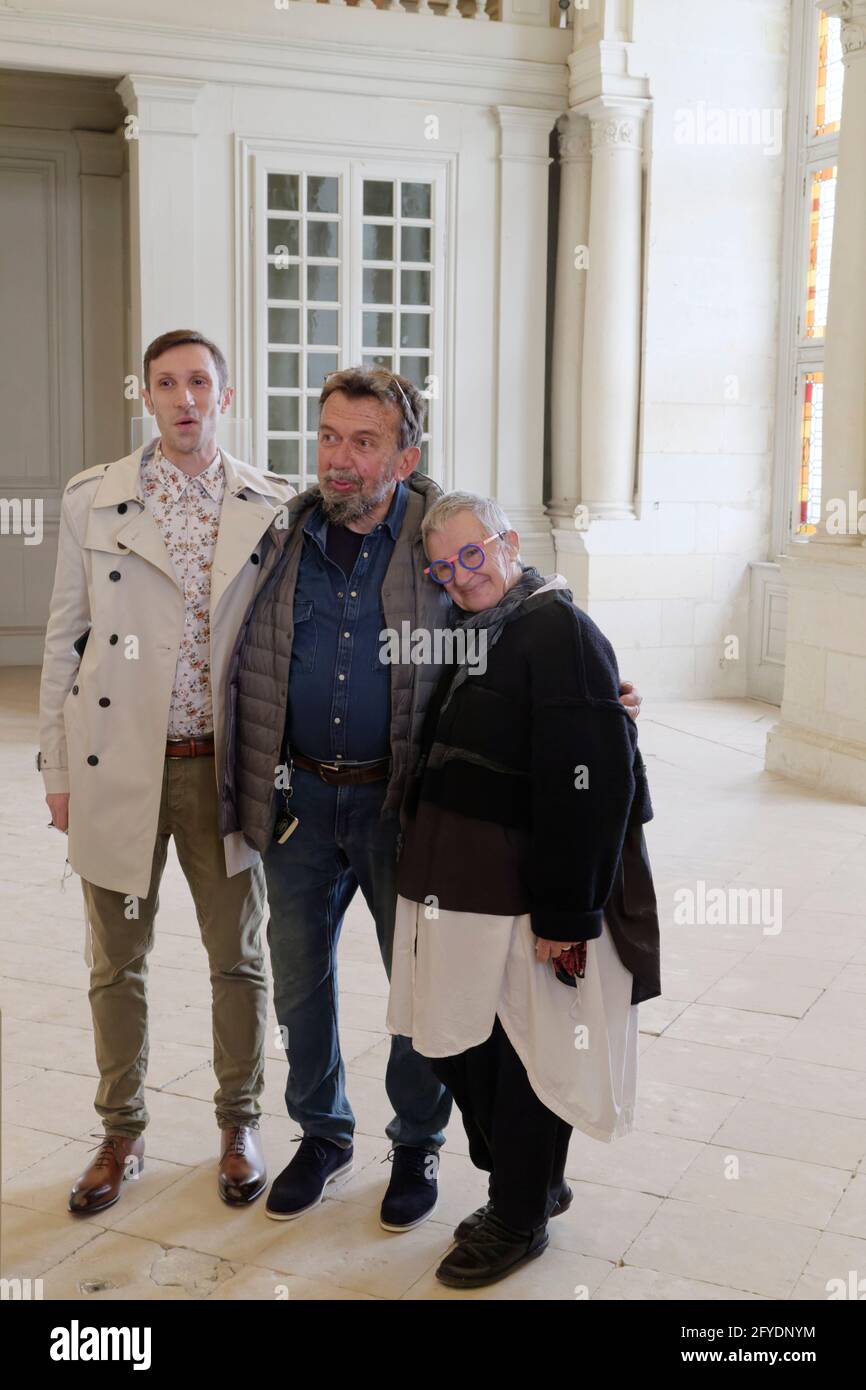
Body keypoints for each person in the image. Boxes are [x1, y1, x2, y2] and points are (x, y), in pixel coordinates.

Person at [220, 368, 644, 1232]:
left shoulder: (436, 538)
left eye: (364, 442)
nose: (340, 460)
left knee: (422, 993)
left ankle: (415, 1144)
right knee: (301, 984)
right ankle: (322, 1133)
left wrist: (604, 691)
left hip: (401, 810)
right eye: (329, 437)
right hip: (298, 799)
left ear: (406, 454)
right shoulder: (280, 534)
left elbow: (516, 609)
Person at [38, 329, 293, 1214]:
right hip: (120, 768)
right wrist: (57, 767)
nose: (185, 398)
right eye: (167, 382)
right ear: (144, 393)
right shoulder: (95, 500)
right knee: (118, 962)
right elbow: (64, 640)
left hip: (223, 771)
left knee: (239, 957)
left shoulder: (270, 503)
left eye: (199, 382)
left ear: (224, 393)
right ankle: (121, 1131)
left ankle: (238, 1122)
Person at [386, 490, 661, 1288]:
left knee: (521, 1055)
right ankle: (532, 1182)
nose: (460, 577)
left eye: (473, 556)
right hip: (463, 892)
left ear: (509, 544)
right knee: (467, 1045)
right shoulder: (479, 630)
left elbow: (590, 784)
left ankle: (518, 1215)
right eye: (444, 567)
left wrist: (566, 914)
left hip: (526, 898)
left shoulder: (557, 630)